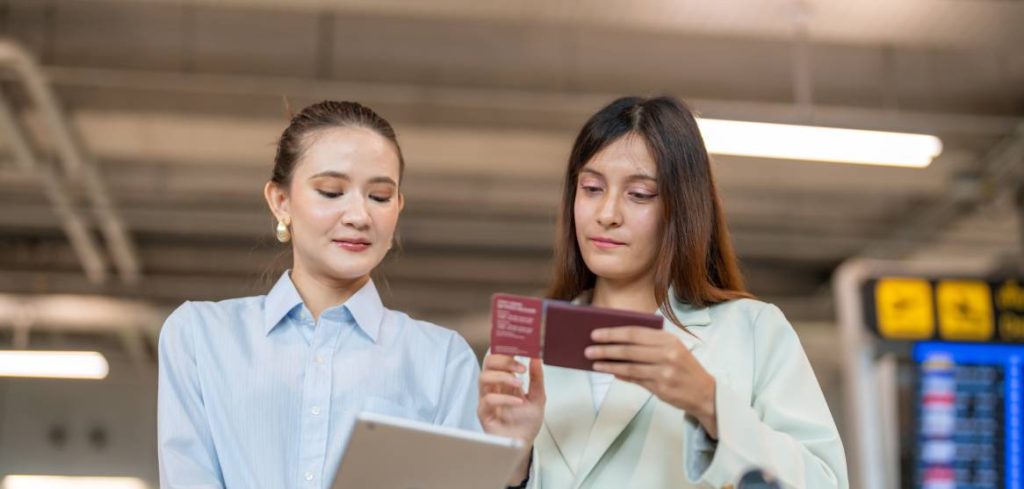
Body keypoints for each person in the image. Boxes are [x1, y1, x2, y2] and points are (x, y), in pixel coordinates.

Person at [477, 96, 848, 488]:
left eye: (639, 195)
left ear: (683, 208)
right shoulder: (525, 346)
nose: (607, 214)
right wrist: (514, 462)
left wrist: (710, 403)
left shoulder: (753, 332)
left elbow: (826, 482)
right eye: (591, 188)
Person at [158, 100, 481, 488]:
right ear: (281, 202)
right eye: (331, 191)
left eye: (379, 197)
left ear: (398, 208)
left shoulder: (443, 361)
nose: (359, 216)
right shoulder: (200, 337)